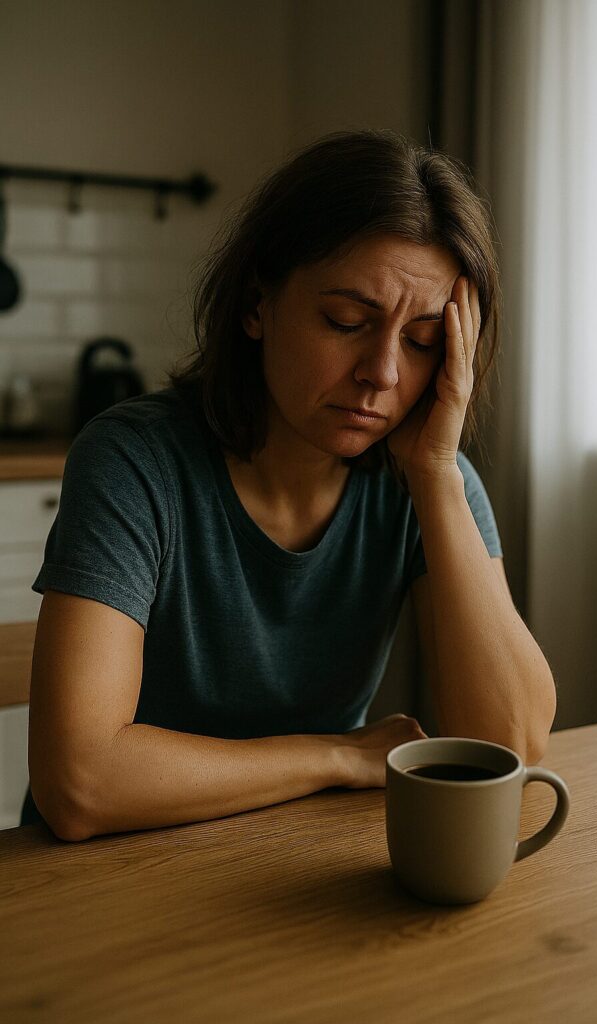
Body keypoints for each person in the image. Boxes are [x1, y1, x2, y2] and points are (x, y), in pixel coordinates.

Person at [21, 129, 557, 842]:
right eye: (346, 321)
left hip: (292, 855)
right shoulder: (135, 461)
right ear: (255, 304)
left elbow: (512, 744)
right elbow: (81, 783)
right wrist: (334, 754)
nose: (383, 373)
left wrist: (435, 476)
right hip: (107, 873)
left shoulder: (432, 483)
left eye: (422, 341)